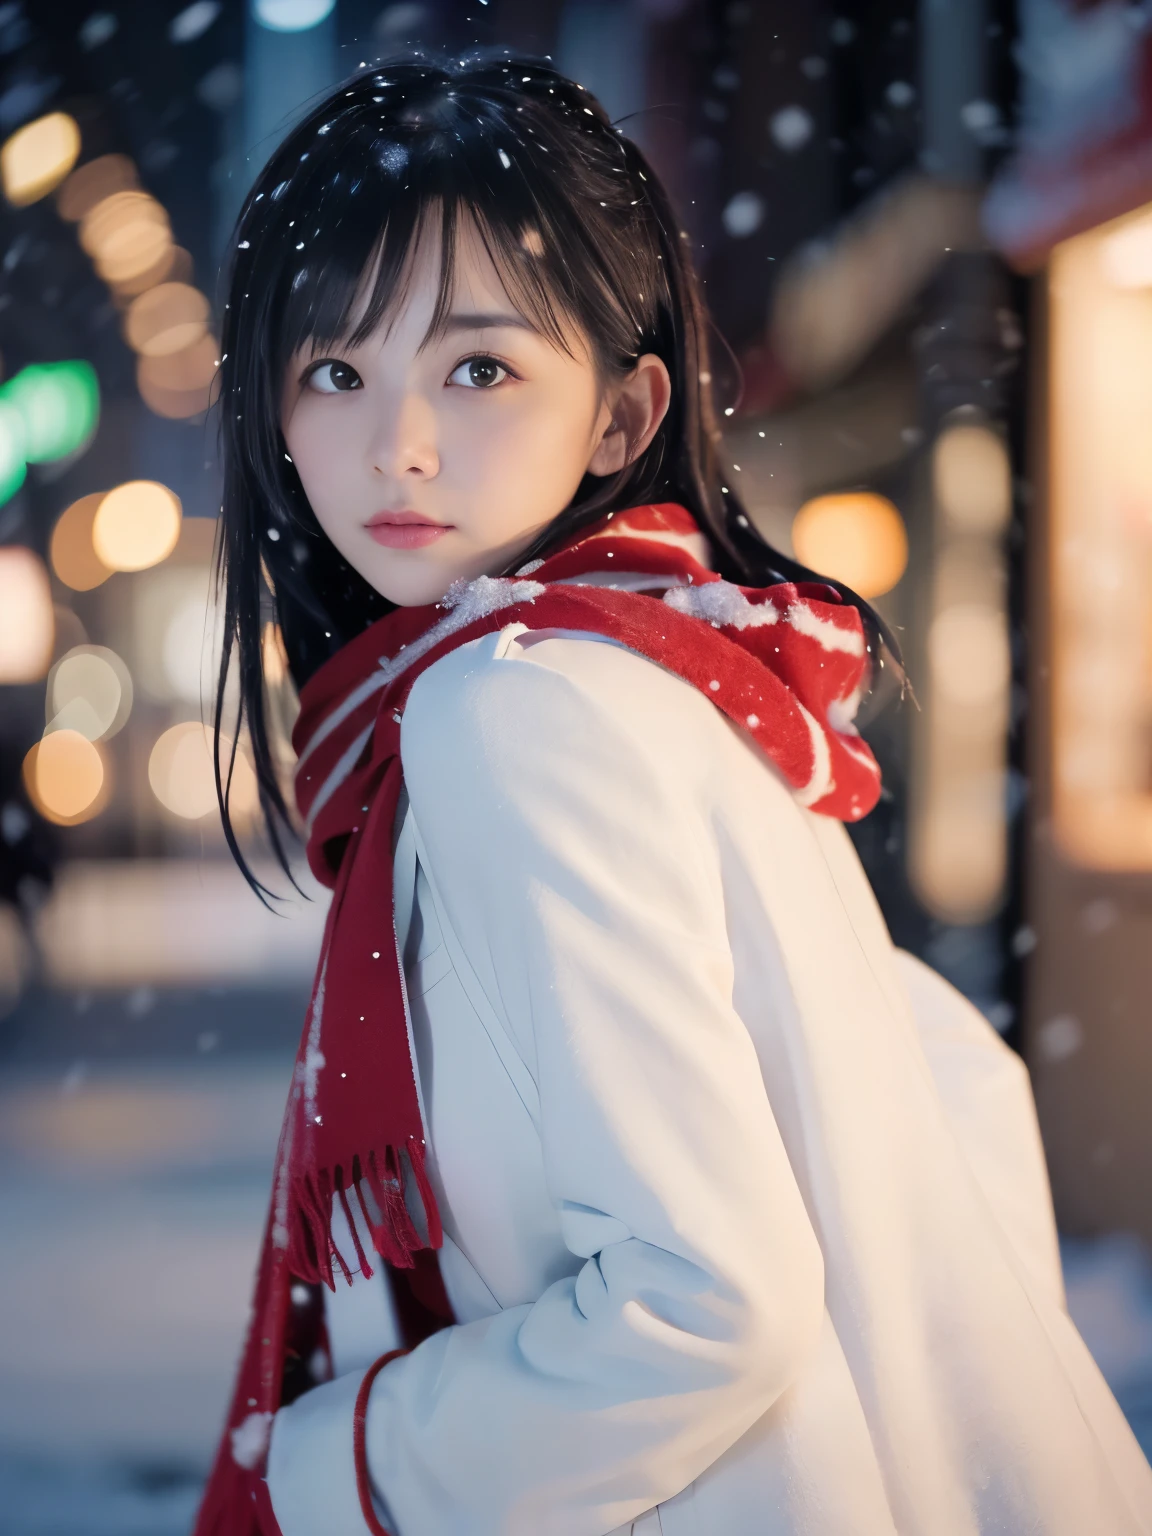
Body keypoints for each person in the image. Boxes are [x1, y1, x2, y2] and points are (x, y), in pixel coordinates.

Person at [196, 53, 1152, 1536]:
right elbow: (954, 1080)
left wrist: (342, 1462)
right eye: (334, 369)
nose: (397, 442)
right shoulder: (671, 677)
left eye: (479, 367)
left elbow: (708, 1303)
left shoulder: (516, 711)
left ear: (623, 414)